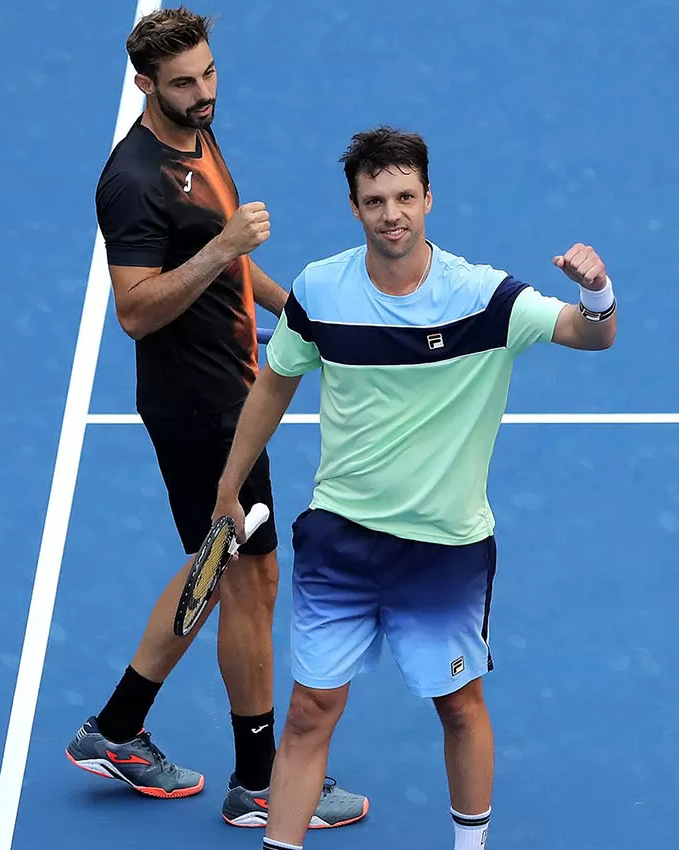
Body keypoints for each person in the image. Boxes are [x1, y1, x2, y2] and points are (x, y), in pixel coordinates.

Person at [210, 126, 619, 850]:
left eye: (404, 196)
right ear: (354, 208)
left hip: (444, 548)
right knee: (309, 713)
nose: (391, 212)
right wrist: (230, 481)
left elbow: (591, 336)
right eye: (375, 200)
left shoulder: (484, 298)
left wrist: (597, 293)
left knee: (460, 707)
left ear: (428, 199)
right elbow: (275, 383)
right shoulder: (320, 290)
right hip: (341, 539)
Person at [63, 7, 367, 831]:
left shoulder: (199, 134)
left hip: (232, 387)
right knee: (251, 576)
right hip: (201, 410)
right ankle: (259, 782)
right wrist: (222, 245)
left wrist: (306, 316)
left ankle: (118, 727)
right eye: (183, 84)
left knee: (226, 563)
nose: (203, 94)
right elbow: (134, 310)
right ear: (144, 86)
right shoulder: (132, 181)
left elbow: (232, 265)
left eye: (208, 74)